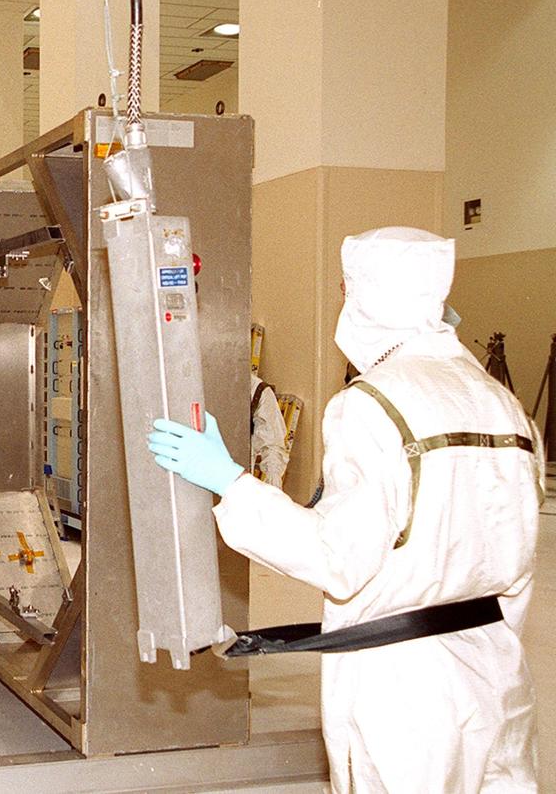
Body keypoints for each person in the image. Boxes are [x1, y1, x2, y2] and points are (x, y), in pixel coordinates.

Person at [147, 227, 541, 793]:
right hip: (498, 674)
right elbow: (513, 559)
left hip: (403, 693)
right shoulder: (502, 403)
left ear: (364, 296)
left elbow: (337, 558)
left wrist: (230, 482)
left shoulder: (372, 404)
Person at [249, 371, 289, 489]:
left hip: (236, 490)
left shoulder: (257, 390)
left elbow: (272, 445)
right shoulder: (195, 383)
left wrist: (273, 491)